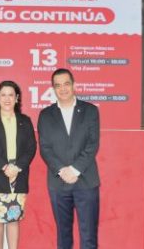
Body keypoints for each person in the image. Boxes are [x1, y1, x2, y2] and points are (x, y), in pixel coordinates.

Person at [38, 68, 101, 249]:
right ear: (53, 89)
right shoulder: (45, 115)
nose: (63, 89)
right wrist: (62, 171)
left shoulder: (90, 111)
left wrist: (74, 170)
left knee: (89, 236)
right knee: (63, 236)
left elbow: (92, 144)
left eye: (66, 84)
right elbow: (45, 148)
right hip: (58, 184)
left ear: (74, 85)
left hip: (86, 181)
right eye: (58, 85)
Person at [0, 80, 37, 249]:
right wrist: (4, 167)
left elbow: (31, 147)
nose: (7, 98)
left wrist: (17, 167)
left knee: (13, 220)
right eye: (3, 94)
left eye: (11, 95)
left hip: (18, 175)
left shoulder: (25, 120)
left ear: (17, 98)